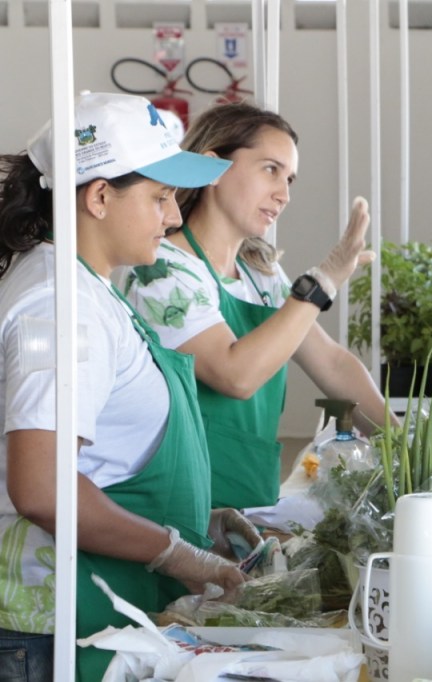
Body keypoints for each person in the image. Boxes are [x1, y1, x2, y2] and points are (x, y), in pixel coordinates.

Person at [0, 92, 263, 681]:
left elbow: (100, 456)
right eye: (160, 197)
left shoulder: (88, 292)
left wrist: (195, 514)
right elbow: (42, 486)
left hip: (88, 612)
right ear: (98, 197)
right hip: (51, 628)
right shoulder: (60, 307)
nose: (173, 217)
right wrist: (173, 549)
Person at [119, 103, 392, 511]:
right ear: (211, 168)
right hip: (183, 507)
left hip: (249, 500)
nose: (283, 194)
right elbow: (236, 375)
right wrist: (322, 284)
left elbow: (331, 362)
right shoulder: (161, 272)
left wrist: (402, 442)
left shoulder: (260, 273)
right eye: (270, 169)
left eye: (290, 178)